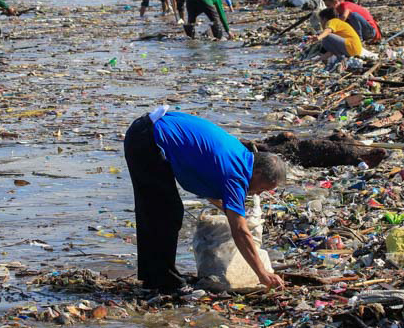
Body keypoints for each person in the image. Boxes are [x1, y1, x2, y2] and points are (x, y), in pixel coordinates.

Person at [123, 108, 286, 293]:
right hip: (147, 139)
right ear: (257, 173)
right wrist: (262, 274)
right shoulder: (236, 174)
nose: (258, 194)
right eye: (262, 188)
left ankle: (155, 277)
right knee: (164, 212)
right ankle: (161, 280)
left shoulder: (241, 156)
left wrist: (233, 213)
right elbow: (239, 231)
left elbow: (212, 186)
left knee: (158, 211)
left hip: (148, 131)